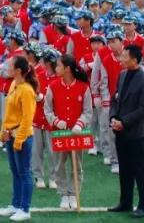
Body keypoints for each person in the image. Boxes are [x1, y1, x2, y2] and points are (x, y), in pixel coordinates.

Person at [107, 43, 144, 217]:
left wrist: (124, 122)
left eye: (124, 57)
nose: (121, 59)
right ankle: (125, 202)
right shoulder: (122, 75)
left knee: (141, 171)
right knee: (125, 169)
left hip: (136, 133)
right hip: (120, 131)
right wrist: (113, 117)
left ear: (134, 60)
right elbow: (115, 99)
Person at [44, 54, 92, 210]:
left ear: (67, 69)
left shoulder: (83, 87)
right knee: (59, 165)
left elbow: (88, 111)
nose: (56, 68)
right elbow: (47, 109)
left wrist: (80, 124)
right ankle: (64, 194)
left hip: (77, 133)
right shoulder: (53, 86)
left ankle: (74, 194)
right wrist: (56, 121)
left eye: (58, 65)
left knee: (77, 165)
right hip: (59, 133)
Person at [0, 56, 38, 222]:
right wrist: (3, 132)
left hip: (21, 136)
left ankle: (25, 208)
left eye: (10, 66)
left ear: (18, 70)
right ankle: (15, 204)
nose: (7, 67)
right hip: (10, 134)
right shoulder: (14, 84)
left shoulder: (27, 90)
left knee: (24, 172)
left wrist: (19, 139)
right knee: (15, 171)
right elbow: (8, 113)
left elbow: (28, 119)